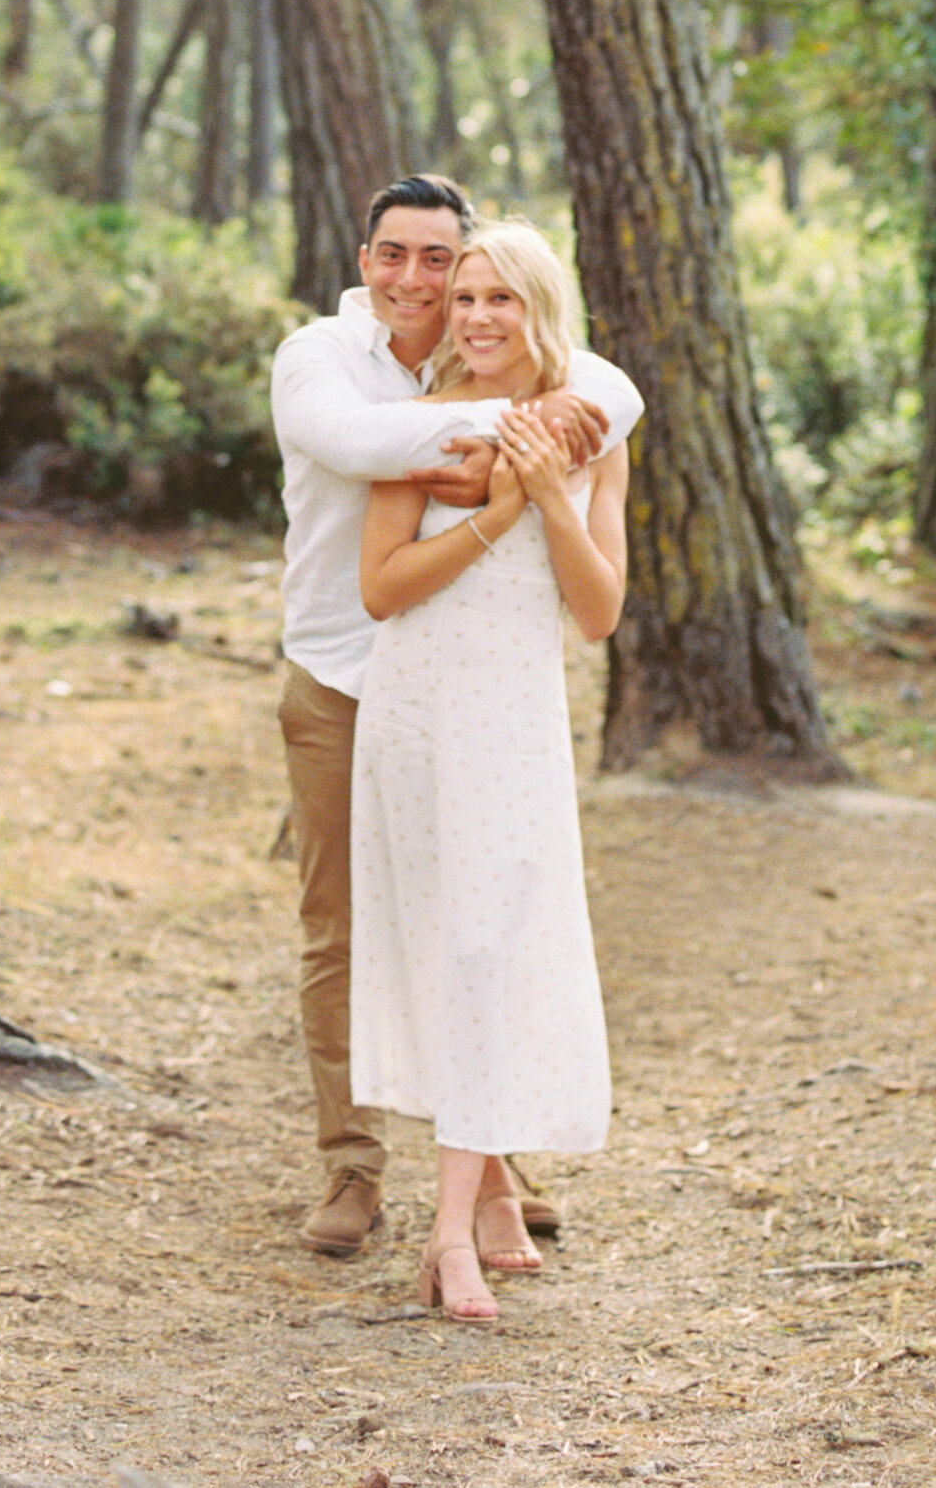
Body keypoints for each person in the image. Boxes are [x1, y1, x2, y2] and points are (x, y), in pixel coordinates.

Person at [271, 177, 642, 1258]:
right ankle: (353, 1164)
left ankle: (485, 1161)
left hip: (489, 694)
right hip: (345, 680)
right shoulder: (324, 364)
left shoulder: (516, 374)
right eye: (398, 256)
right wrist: (521, 447)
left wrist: (569, 418)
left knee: (486, 925)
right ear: (364, 258)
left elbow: (612, 391)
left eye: (445, 264)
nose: (421, 283)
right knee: (349, 929)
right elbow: (356, 441)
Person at [349, 219, 628, 1326]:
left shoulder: (591, 430)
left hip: (515, 717)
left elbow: (599, 612)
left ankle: (462, 1216)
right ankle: (460, 1225)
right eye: (462, 298)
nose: (472, 317)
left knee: (490, 948)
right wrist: (493, 516)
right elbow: (380, 588)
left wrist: (548, 493)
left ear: (537, 310)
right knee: (449, 954)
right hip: (417, 710)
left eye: (498, 299)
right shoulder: (412, 429)